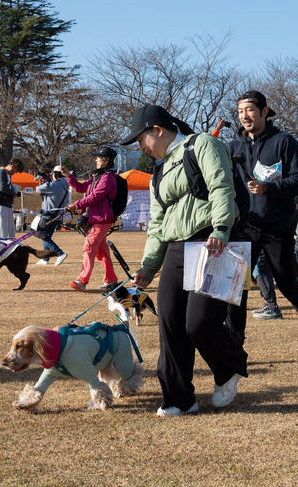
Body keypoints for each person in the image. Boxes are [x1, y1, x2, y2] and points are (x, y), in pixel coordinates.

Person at [124, 104, 249, 416]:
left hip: (213, 241)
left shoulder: (202, 144)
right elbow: (157, 225)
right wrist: (149, 266)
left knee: (199, 322)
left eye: (140, 140)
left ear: (157, 130)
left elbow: (222, 186)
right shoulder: (157, 174)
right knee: (170, 323)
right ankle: (179, 399)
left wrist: (222, 228)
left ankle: (229, 367)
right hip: (176, 249)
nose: (141, 147)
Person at [228, 90, 298, 357]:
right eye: (240, 112)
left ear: (265, 112)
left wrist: (268, 188)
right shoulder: (233, 147)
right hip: (244, 227)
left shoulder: (284, 142)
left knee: (288, 284)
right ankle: (235, 346)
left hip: (277, 227)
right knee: (236, 287)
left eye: (249, 110)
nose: (244, 116)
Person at [63, 148, 120, 293]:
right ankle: (111, 280)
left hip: (102, 218)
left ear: (106, 160)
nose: (96, 160)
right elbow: (81, 188)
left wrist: (75, 205)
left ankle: (82, 281)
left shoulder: (108, 178)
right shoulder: (97, 176)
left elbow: (95, 196)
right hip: (96, 218)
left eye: (98, 158)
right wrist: (69, 176)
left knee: (89, 246)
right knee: (101, 251)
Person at [34, 166, 70, 266]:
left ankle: (60, 253)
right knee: (46, 236)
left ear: (55, 174)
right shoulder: (65, 184)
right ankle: (45, 258)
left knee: (42, 235)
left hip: (49, 213)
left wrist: (44, 181)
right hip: (57, 214)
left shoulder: (55, 185)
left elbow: (38, 189)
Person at [0, 159, 24, 239]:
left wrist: (15, 192)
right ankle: (2, 246)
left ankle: (11, 246)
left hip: (8, 205)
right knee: (3, 234)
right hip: (0, 205)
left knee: (11, 234)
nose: (15, 173)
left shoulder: (8, 176)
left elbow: (8, 188)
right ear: (12, 166)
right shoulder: (0, 172)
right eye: (16, 171)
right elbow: (2, 187)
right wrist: (13, 194)